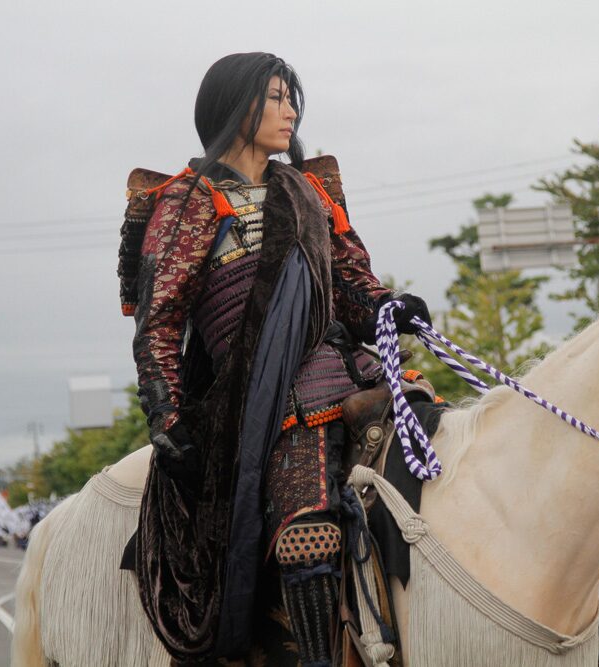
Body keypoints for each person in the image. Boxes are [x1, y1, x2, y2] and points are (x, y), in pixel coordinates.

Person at [123, 52, 431, 665]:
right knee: (307, 535)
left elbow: (351, 285)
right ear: (235, 106)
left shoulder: (309, 190)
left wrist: (389, 310)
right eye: (275, 97)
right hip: (259, 400)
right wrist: (167, 420)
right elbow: (158, 323)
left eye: (293, 99)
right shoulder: (186, 201)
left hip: (339, 365)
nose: (290, 111)